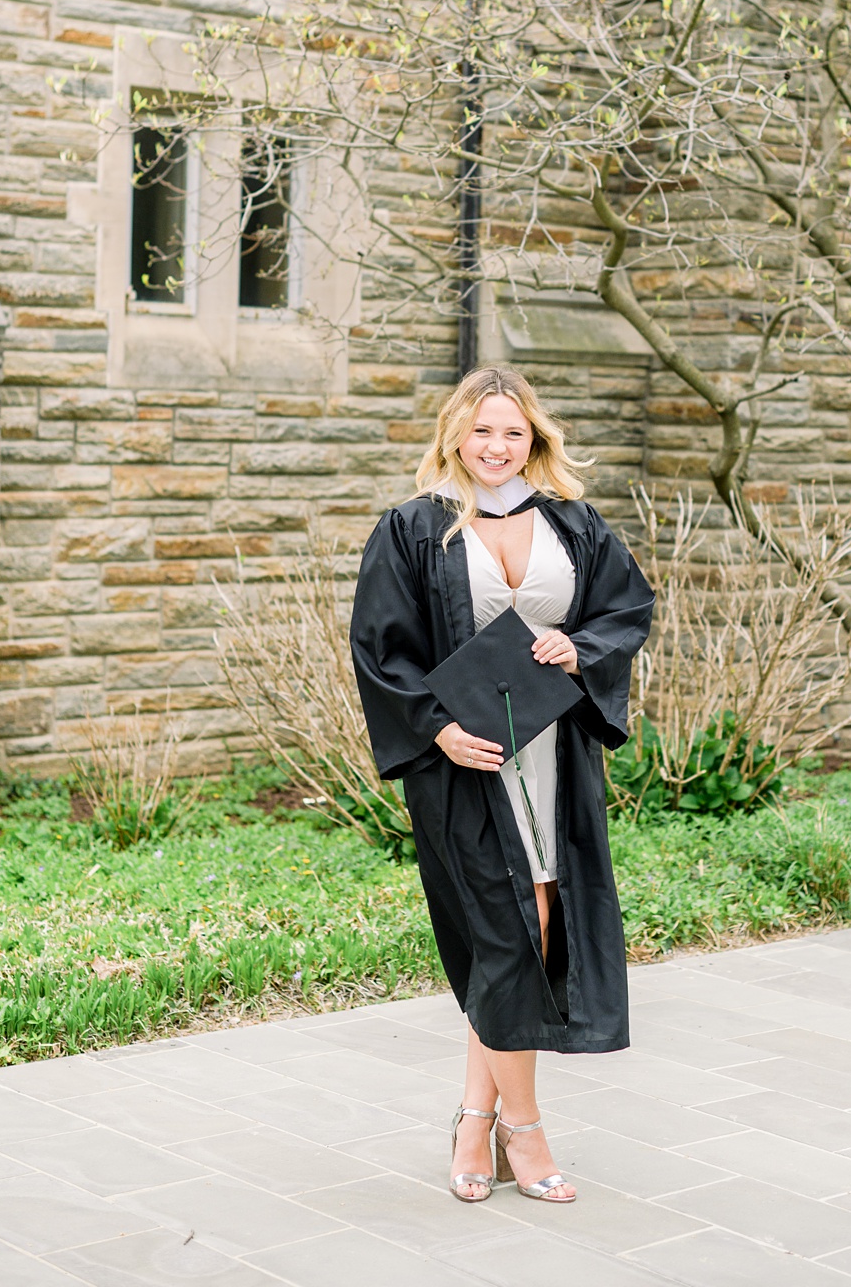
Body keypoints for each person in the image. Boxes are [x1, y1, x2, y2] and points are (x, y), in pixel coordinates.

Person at [349, 366, 653, 1204]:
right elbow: (380, 650)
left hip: (554, 761)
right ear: (455, 434)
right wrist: (437, 729)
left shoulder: (574, 525)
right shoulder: (414, 531)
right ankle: (527, 1129)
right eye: (482, 430)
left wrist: (579, 649)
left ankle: (474, 1118)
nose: (496, 446)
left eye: (512, 433)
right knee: (503, 934)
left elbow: (624, 610)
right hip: (466, 765)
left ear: (535, 441)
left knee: (538, 924)